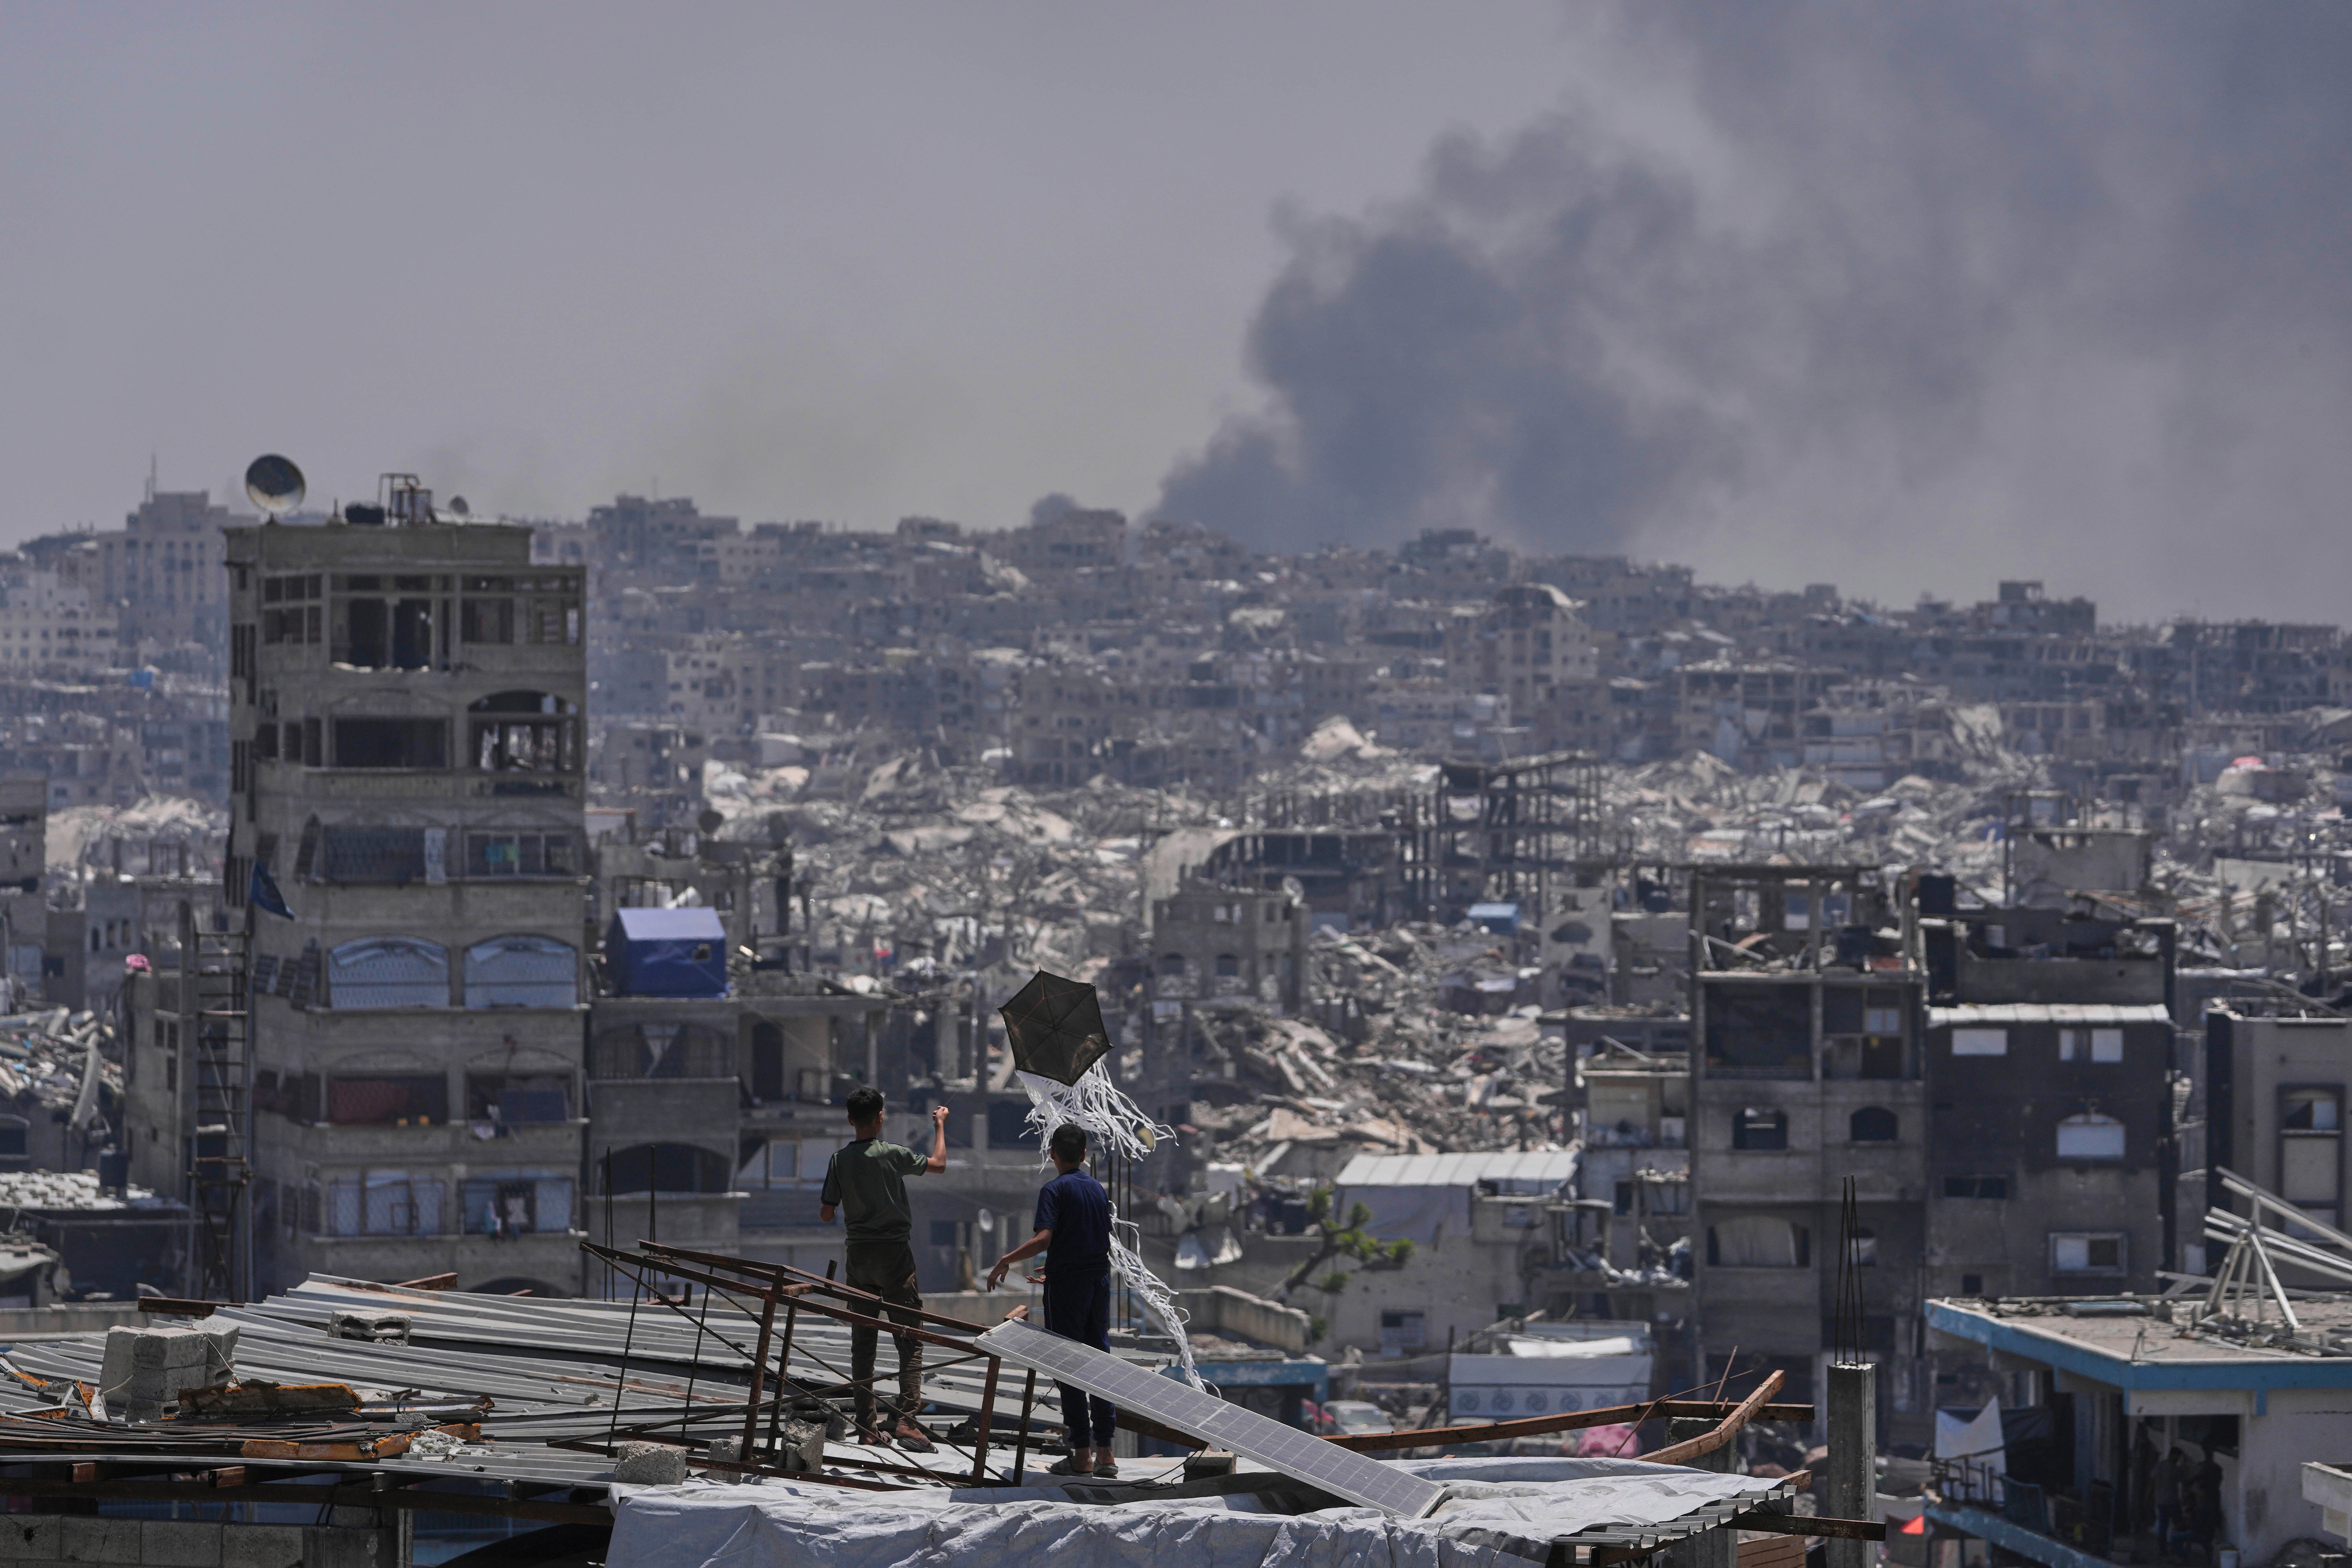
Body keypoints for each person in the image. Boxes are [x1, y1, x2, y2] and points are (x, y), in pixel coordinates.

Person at [819, 1089, 949, 1451]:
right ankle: (907, 1422)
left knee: (863, 1345)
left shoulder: (838, 1160)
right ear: (880, 1117)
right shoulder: (892, 1154)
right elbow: (938, 1164)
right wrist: (940, 1126)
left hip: (858, 1256)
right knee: (909, 1341)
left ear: (850, 1120)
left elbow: (827, 1213)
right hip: (894, 1255)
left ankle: (866, 1428)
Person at [987, 1123, 1117, 1477]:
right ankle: (1106, 1453)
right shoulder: (1096, 1189)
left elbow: (1045, 1238)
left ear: (1052, 1155)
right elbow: (1091, 1242)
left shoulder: (1054, 1190)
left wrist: (1006, 1260)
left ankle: (1081, 1455)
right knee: (1099, 1360)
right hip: (1098, 1284)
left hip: (1069, 1290)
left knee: (1069, 1366)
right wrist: (1056, 1267)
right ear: (1085, 1155)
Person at [2153, 1446, 2186, 1558]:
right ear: (2174, 1456)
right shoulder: (2176, 1470)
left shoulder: (2159, 1466)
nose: (2178, 1459)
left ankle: (2163, 1549)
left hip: (2161, 1502)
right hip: (2173, 1502)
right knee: (2179, 1525)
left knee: (2163, 1526)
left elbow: (2151, 1482)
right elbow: (2185, 1483)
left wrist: (2147, 1499)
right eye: (2178, 1457)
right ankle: (2177, 1548)